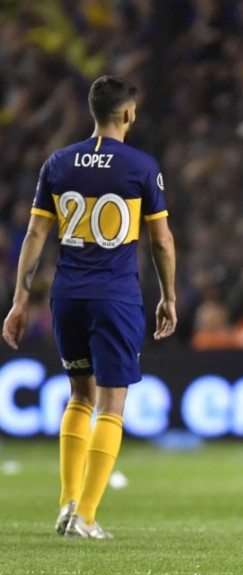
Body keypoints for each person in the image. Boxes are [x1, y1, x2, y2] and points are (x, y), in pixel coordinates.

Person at [2, 75, 177, 539]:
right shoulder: (141, 166)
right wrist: (169, 295)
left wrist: (20, 299)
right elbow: (161, 240)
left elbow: (35, 233)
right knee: (111, 404)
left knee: (79, 395)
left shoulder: (58, 163)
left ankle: (66, 504)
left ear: (92, 110)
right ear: (129, 113)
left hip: (67, 295)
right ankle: (87, 515)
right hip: (115, 297)